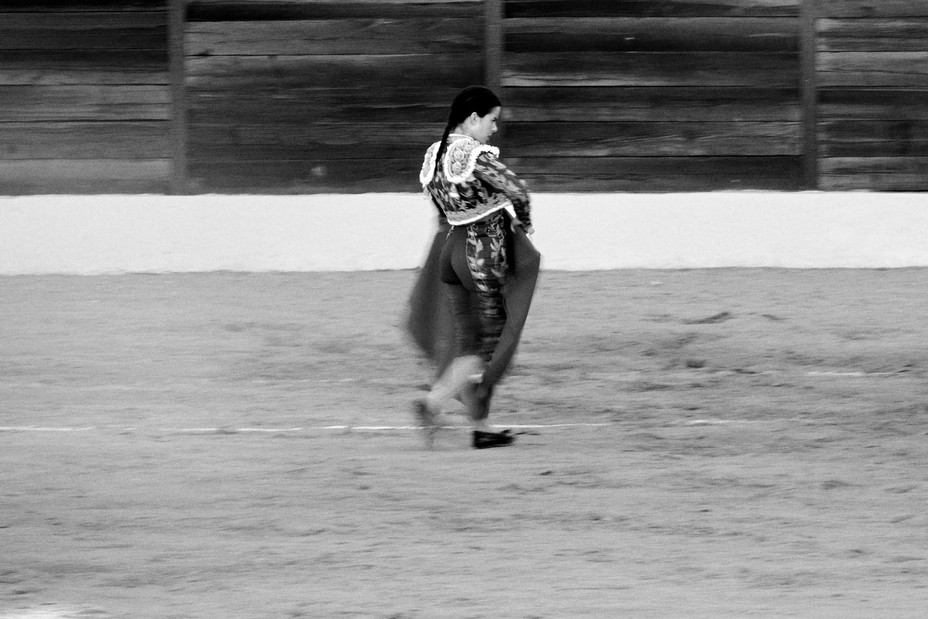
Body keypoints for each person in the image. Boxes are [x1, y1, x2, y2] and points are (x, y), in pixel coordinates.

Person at [407, 85, 540, 450]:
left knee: (469, 341)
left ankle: (481, 426)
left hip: (450, 252)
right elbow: (518, 189)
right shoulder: (474, 154)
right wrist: (524, 225)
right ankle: (434, 403)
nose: (494, 129)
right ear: (473, 118)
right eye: (492, 120)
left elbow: (439, 209)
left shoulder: (435, 155)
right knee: (489, 345)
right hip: (482, 254)